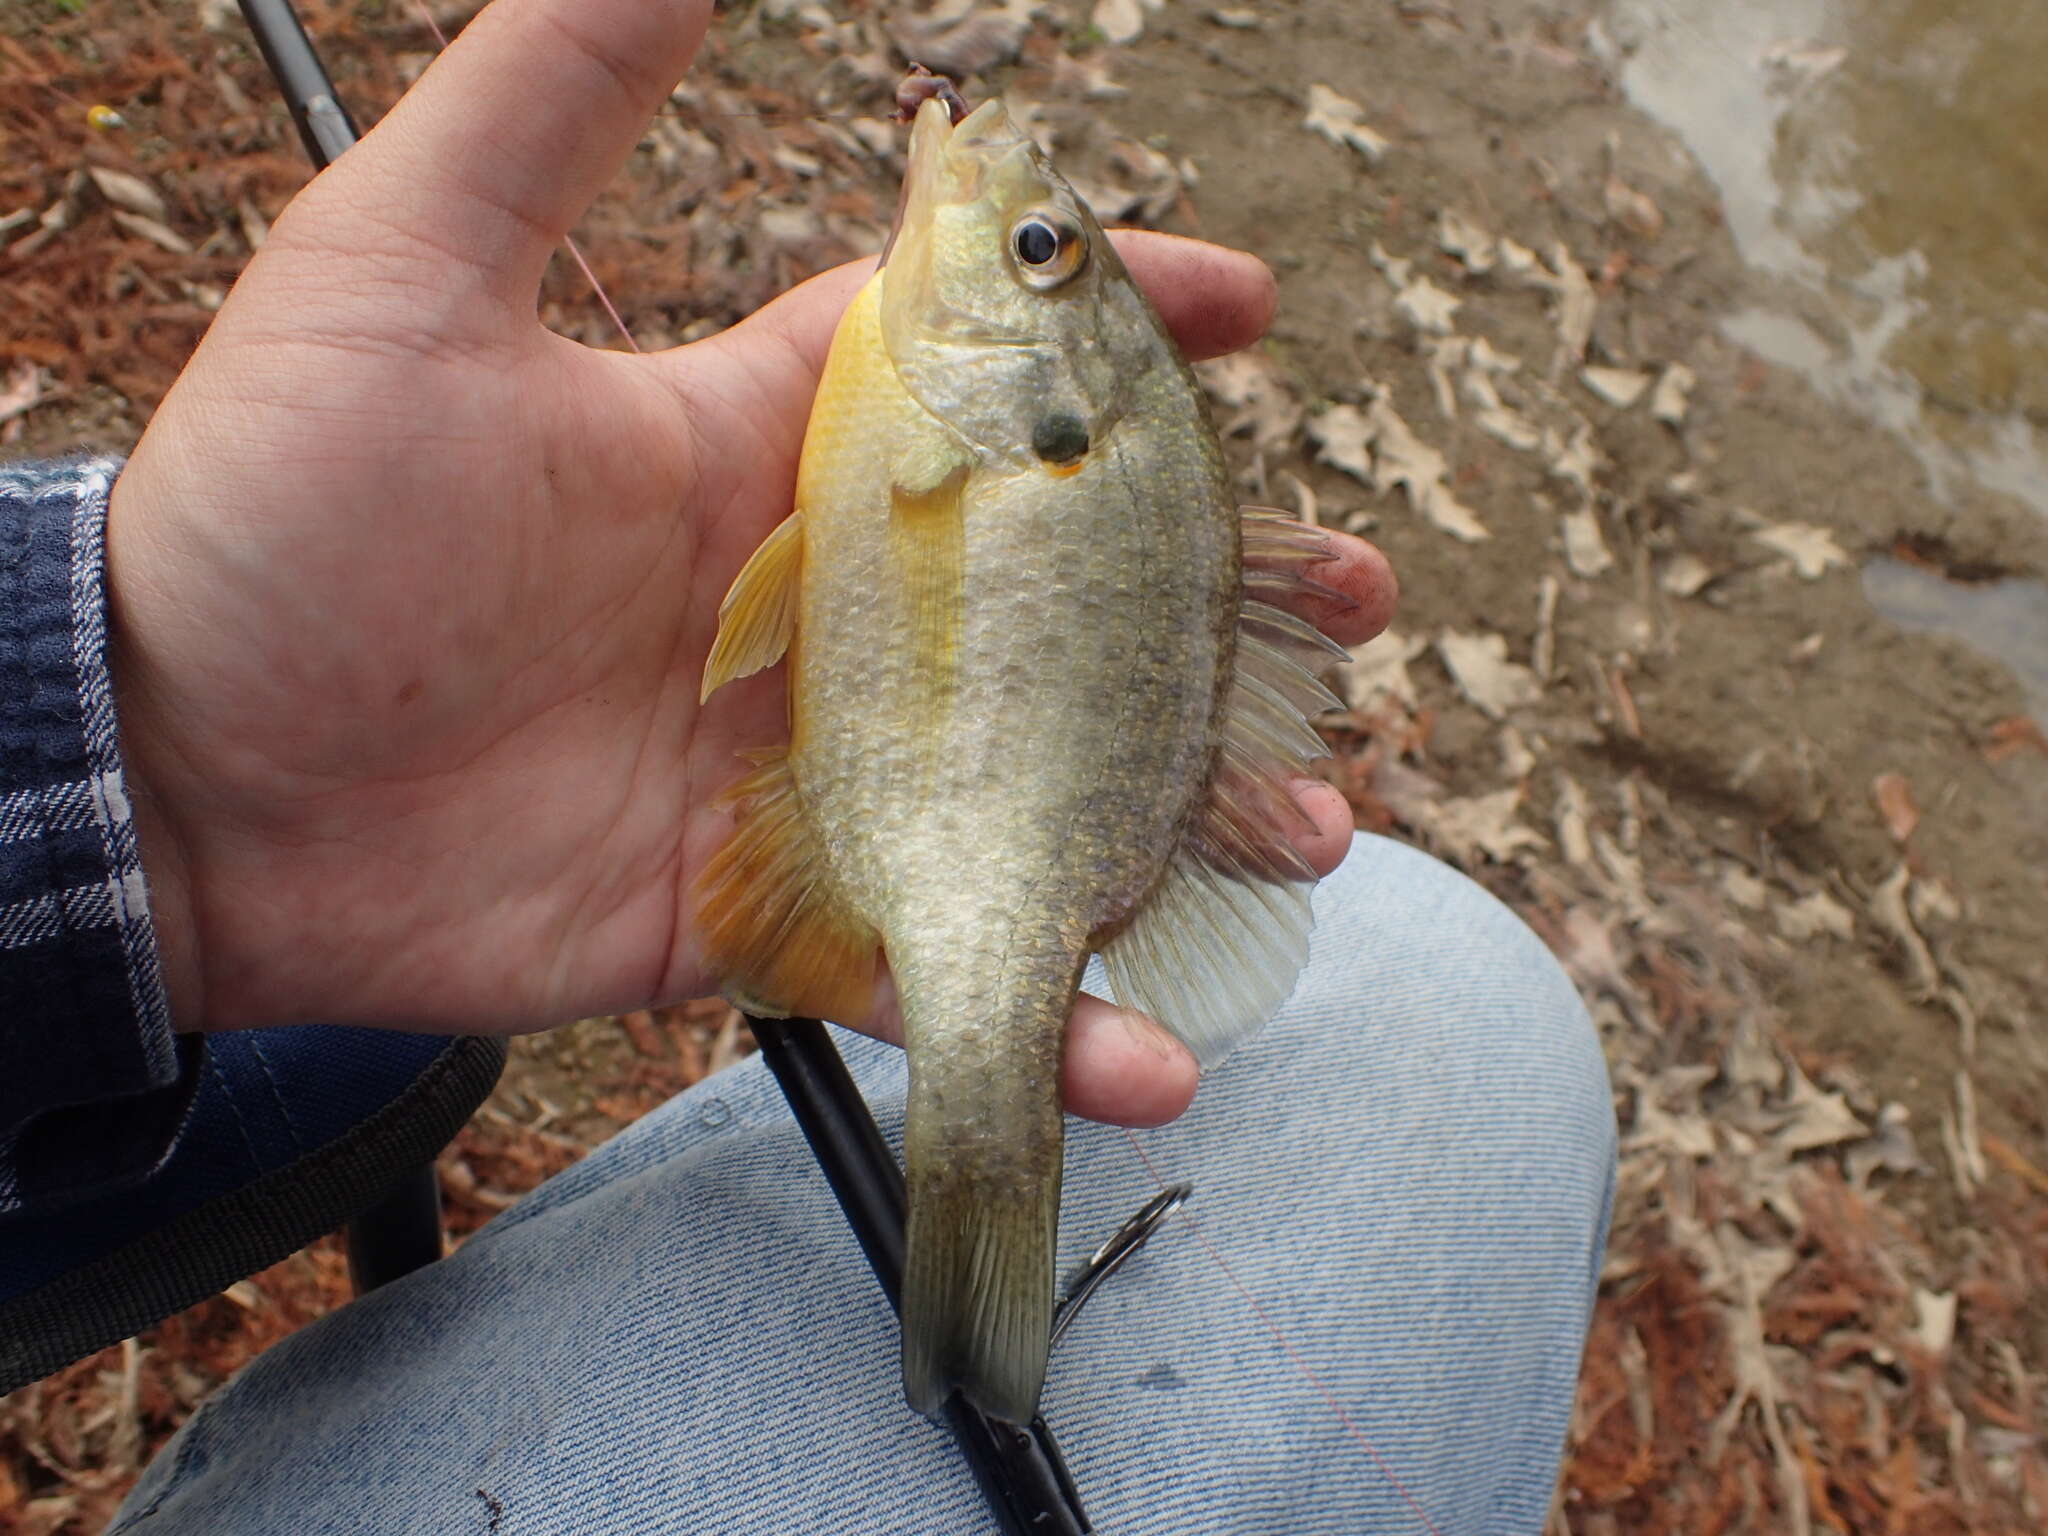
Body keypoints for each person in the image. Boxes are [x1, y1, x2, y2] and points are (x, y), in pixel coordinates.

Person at [0, 1, 1615, 1530]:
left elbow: (829, 572)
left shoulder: (967, 420)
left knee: (378, 1059)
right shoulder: (953, 406)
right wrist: (171, 755)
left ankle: (976, 1247)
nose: (1002, 215)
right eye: (1046, 254)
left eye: (1032, 251)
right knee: (1455, 999)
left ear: (1053, 405)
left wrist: (165, 764)